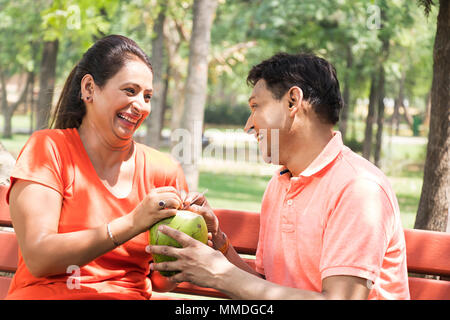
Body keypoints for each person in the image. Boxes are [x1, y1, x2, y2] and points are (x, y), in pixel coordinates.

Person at [149, 52, 411, 300]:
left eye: (256, 107)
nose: (249, 125)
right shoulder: (280, 183)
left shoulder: (358, 189)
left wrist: (220, 275)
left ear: (292, 102)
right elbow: (266, 288)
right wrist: (220, 244)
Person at [5, 35, 189, 300]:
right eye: (130, 91)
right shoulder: (50, 149)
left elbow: (159, 281)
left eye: (147, 96)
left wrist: (186, 251)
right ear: (89, 88)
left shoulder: (163, 171)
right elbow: (39, 257)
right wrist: (132, 223)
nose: (140, 105)